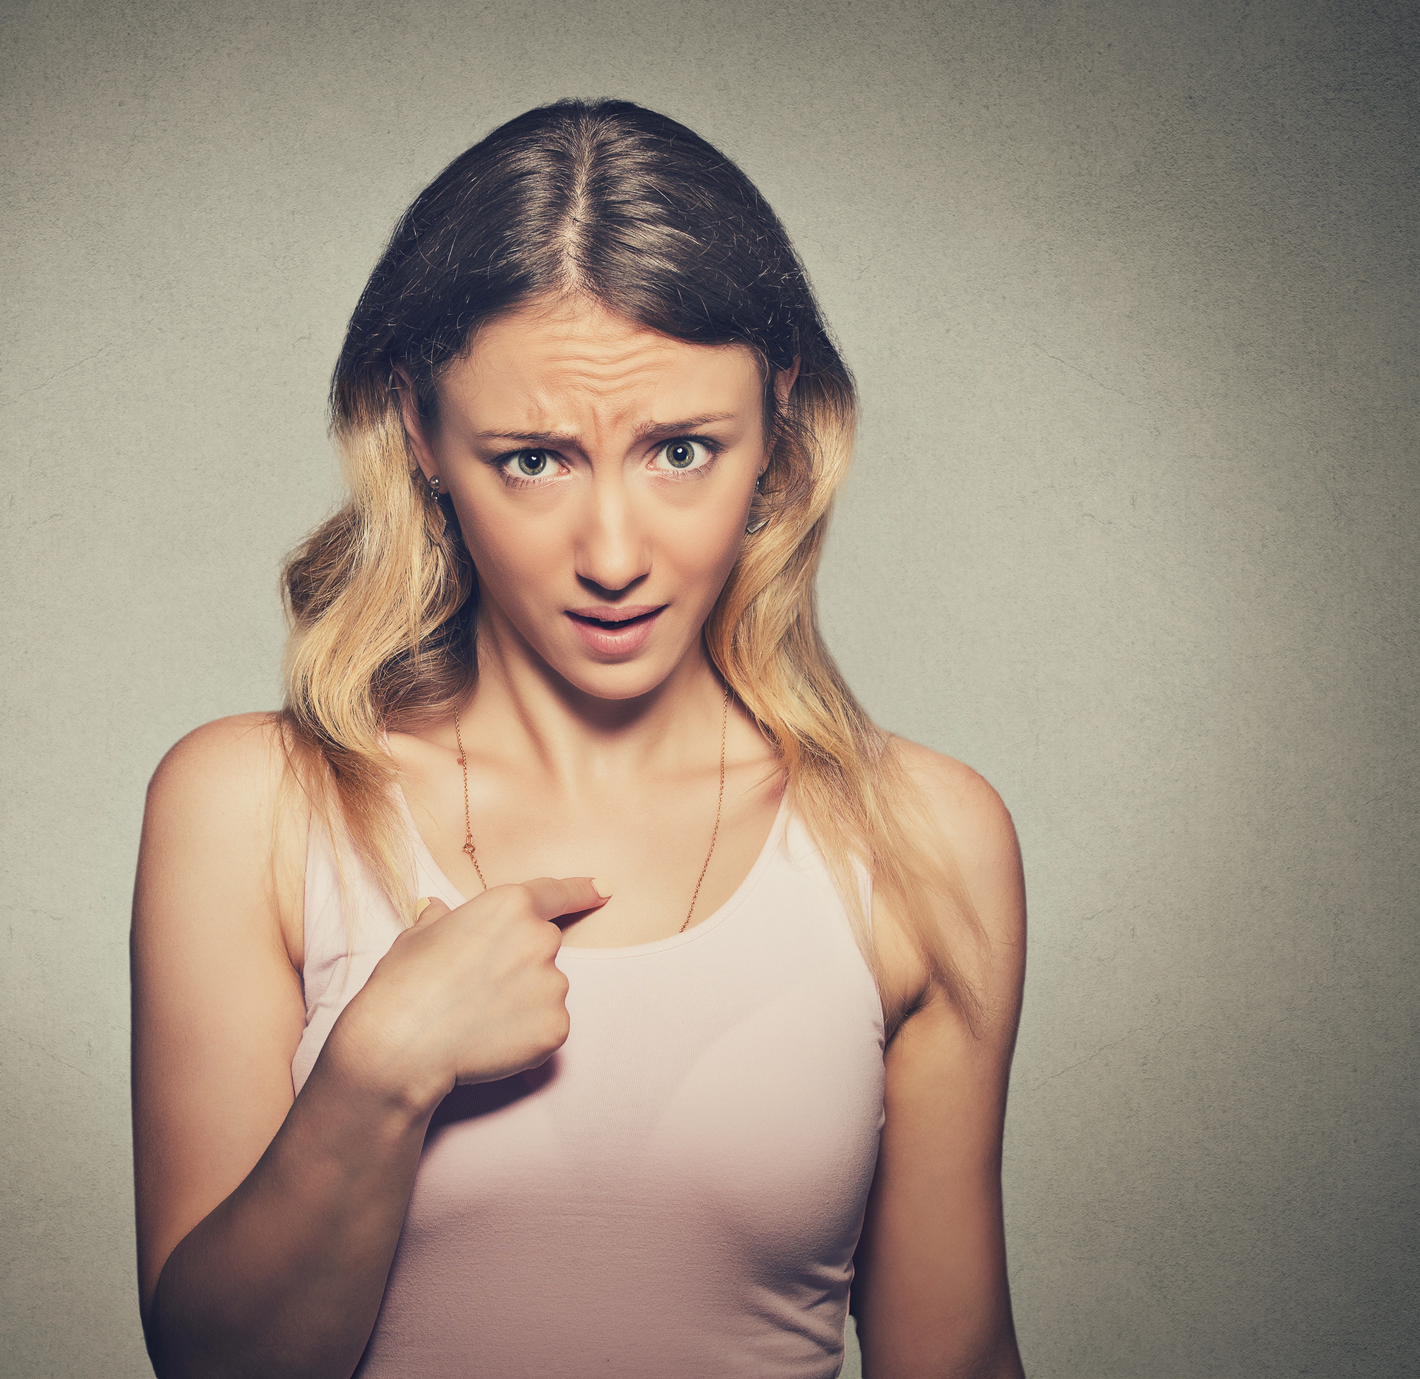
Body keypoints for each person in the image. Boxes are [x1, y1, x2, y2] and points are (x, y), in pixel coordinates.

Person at [129, 100, 1027, 1379]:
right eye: (535, 459)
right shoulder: (252, 808)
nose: (614, 556)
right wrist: (374, 1076)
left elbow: (955, 1362)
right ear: (416, 432)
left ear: (776, 426)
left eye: (679, 450)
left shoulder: (920, 838)